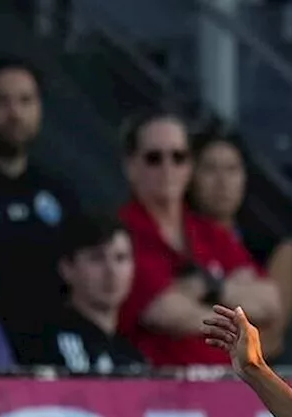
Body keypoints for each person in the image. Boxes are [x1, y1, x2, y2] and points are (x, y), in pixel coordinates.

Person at [117, 111, 282, 367]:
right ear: (131, 166)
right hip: (154, 391)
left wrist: (212, 287)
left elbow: (270, 301)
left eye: (178, 157)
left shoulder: (207, 231)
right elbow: (163, 312)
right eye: (154, 158)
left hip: (223, 390)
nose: (168, 168)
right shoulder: (121, 232)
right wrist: (235, 319)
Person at [0, 57, 82, 358]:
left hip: (50, 354)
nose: (15, 113)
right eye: (1, 101)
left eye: (26, 100)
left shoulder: (59, 192)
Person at [189, 125, 292, 358]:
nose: (222, 182)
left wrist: (210, 290)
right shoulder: (175, 236)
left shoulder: (274, 244)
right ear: (191, 176)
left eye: (232, 169)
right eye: (210, 169)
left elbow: (273, 334)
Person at [19, 212, 145, 373]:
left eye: (121, 258)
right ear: (67, 268)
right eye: (96, 258)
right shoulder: (50, 345)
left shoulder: (132, 357)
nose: (111, 272)